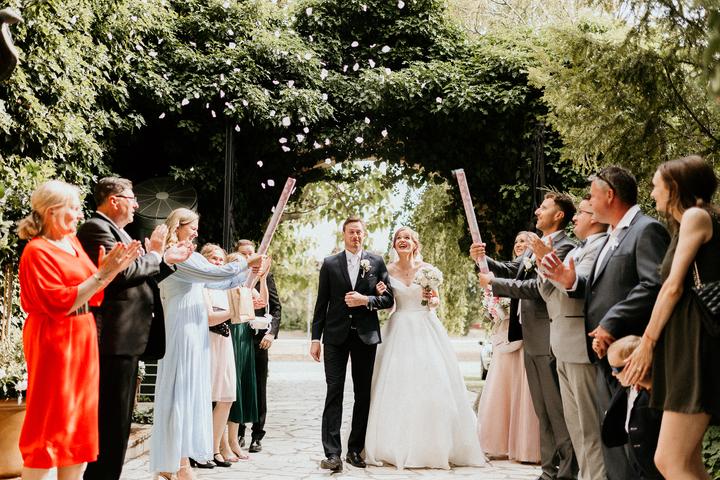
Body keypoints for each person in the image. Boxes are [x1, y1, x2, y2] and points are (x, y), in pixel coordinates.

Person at [542, 166, 670, 480]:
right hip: (604, 352)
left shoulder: (646, 230)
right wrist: (571, 282)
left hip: (630, 353)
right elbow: (602, 288)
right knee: (612, 439)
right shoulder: (613, 234)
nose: (588, 201)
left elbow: (652, 285)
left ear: (609, 195)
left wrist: (610, 323)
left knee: (634, 443)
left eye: (592, 195)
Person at [17, 180, 141, 480]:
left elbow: (93, 288)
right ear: (51, 212)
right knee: (50, 420)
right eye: (73, 208)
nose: (79, 214)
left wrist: (108, 273)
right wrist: (103, 275)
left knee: (78, 424)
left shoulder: (72, 242)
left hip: (83, 334)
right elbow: (59, 300)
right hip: (54, 338)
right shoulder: (36, 251)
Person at [77, 177, 192, 480]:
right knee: (110, 424)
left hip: (127, 339)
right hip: (113, 339)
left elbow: (140, 277)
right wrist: (155, 255)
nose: (137, 205)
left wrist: (164, 260)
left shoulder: (120, 232)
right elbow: (118, 274)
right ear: (114, 200)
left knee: (118, 425)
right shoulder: (96, 229)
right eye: (132, 198)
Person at [623, 156, 720, 479]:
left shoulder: (696, 215)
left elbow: (673, 287)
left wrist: (647, 343)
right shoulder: (688, 222)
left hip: (695, 345)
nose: (652, 193)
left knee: (669, 461)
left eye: (656, 186)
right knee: (687, 462)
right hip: (687, 343)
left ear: (675, 187)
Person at [149, 208, 263, 480]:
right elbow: (216, 274)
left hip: (195, 327)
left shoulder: (191, 255)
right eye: (192, 227)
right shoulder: (176, 254)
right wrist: (246, 262)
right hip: (181, 327)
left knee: (191, 393)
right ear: (178, 226)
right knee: (180, 393)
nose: (196, 232)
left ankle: (177, 461)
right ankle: (177, 462)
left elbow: (222, 282)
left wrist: (252, 272)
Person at [471, 192, 577, 480]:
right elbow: (515, 270)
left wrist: (493, 283)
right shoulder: (534, 247)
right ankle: (548, 471)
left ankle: (568, 471)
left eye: (544, 208)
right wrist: (484, 260)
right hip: (530, 335)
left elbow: (536, 289)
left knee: (556, 408)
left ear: (559, 215)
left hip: (548, 335)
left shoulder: (565, 247)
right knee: (542, 410)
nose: (538, 212)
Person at [365, 226, 486, 469]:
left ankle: (434, 445)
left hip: (425, 326)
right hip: (399, 327)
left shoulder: (427, 269)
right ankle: (391, 444)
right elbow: (387, 303)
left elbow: (436, 301)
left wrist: (432, 299)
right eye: (398, 238)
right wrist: (380, 292)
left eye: (407, 238)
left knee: (433, 381)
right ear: (394, 244)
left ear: (415, 244)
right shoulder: (386, 271)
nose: (403, 241)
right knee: (396, 383)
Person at [310, 216, 394, 472]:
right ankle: (332, 454)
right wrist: (315, 338)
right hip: (335, 337)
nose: (355, 236)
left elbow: (388, 299)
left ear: (364, 235)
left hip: (365, 337)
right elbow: (321, 303)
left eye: (359, 232)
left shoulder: (376, 262)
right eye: (351, 232)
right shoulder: (329, 263)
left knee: (362, 394)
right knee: (334, 391)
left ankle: (355, 450)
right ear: (343, 234)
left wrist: (365, 300)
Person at [534, 195, 608, 480]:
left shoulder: (599, 247)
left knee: (590, 428)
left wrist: (548, 261)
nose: (575, 217)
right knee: (576, 428)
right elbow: (548, 292)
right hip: (562, 343)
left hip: (580, 345)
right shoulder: (578, 249)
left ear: (595, 218)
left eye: (581, 212)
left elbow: (573, 287)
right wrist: (545, 264)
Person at [476, 231, 541, 464]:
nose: (518, 245)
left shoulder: (535, 261)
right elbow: (504, 270)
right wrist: (481, 259)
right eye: (516, 242)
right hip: (505, 334)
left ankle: (526, 445)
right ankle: (501, 442)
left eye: (524, 241)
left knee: (524, 388)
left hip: (527, 334)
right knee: (502, 386)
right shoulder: (517, 265)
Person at [225, 249, 270, 458]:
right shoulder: (224, 284)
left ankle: (235, 440)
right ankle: (228, 441)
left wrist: (263, 278)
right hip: (230, 334)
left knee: (242, 388)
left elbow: (264, 302)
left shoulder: (247, 286)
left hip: (245, 337)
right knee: (229, 389)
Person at [200, 244, 239, 467]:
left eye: (221, 260)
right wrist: (235, 310)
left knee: (227, 396)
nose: (218, 262)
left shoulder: (225, 287)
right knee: (205, 397)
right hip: (206, 342)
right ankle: (201, 450)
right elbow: (209, 318)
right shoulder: (201, 285)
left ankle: (215, 448)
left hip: (225, 342)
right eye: (213, 258)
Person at [603, 336, 663, 480]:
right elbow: (610, 377)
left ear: (634, 365)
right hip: (636, 463)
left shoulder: (655, 395)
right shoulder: (628, 388)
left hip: (656, 469)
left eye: (616, 369)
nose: (613, 373)